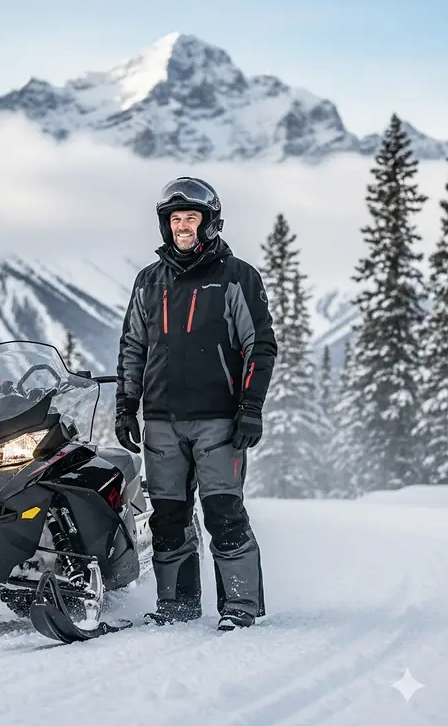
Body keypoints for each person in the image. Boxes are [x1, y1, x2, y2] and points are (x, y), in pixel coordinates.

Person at [115, 176, 277, 631]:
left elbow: (259, 346)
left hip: (220, 421)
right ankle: (178, 605)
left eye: (191, 218)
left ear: (209, 223)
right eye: (175, 219)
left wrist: (250, 408)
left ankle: (240, 605)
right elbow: (132, 347)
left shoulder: (236, 276)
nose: (182, 226)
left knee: (223, 511)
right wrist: (126, 407)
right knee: (168, 516)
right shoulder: (149, 281)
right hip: (162, 421)